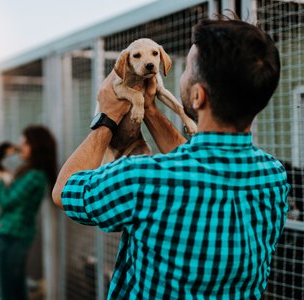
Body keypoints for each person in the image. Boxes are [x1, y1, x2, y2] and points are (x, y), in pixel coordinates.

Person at [52, 16, 290, 299]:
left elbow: (64, 190)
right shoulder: (274, 177)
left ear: (199, 96)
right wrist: (151, 110)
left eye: (188, 68)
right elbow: (197, 165)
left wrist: (108, 116)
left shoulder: (141, 178)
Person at [0, 125, 56, 300]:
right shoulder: (29, 171)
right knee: (14, 285)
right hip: (10, 232)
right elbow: (14, 203)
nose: (19, 146)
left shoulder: (35, 175)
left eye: (25, 143)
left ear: (36, 147)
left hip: (15, 235)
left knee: (8, 288)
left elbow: (7, 201)